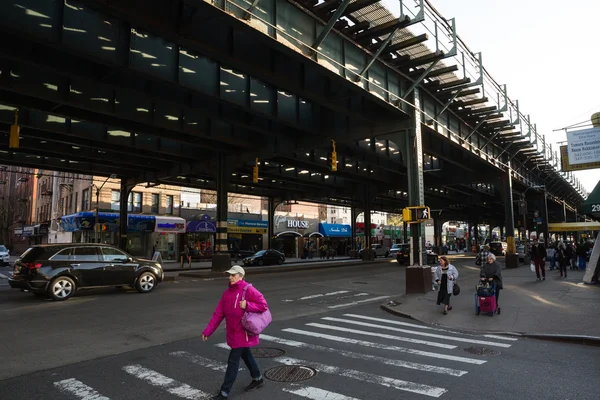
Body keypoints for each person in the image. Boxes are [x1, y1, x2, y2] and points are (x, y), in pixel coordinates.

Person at [202, 266, 268, 399]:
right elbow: (218, 314)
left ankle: (224, 392)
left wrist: (247, 305)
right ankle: (258, 378)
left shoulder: (248, 289)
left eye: (233, 275)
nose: (230, 277)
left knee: (233, 361)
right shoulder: (226, 293)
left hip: (243, 333)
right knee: (247, 355)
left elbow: (263, 305)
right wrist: (208, 331)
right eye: (229, 275)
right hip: (232, 333)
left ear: (241, 276)